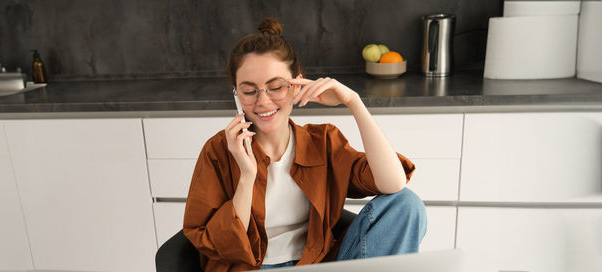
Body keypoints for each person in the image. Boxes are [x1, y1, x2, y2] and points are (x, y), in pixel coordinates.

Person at [183, 18, 427, 271]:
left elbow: (393, 183)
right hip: (251, 268)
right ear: (236, 93)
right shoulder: (218, 151)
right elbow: (218, 245)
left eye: (276, 87)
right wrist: (247, 176)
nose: (263, 102)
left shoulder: (322, 142)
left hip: (316, 264)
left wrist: (354, 103)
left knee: (406, 204)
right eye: (249, 91)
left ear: (296, 85)